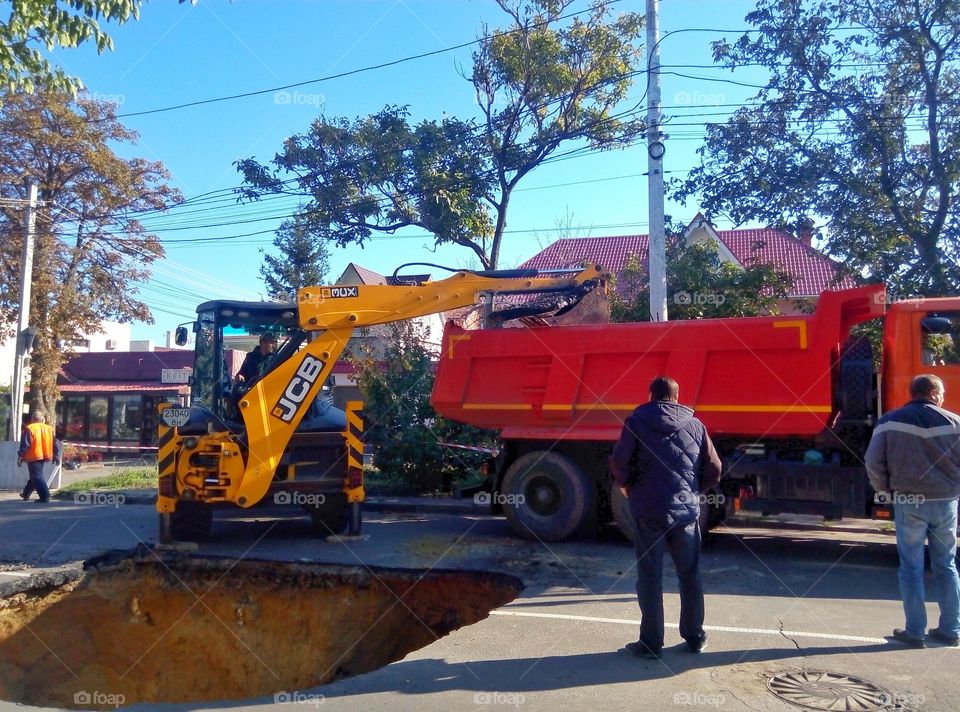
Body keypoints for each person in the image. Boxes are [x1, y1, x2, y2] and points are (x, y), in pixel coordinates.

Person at [609, 375, 722, 659]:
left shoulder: (636, 422)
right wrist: (694, 491)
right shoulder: (696, 425)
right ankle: (694, 637)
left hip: (648, 509)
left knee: (650, 576)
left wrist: (626, 486)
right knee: (690, 574)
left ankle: (650, 644)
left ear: (651, 395)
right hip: (686, 513)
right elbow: (715, 468)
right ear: (676, 397)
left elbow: (619, 462)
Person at [865, 374, 960, 648]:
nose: (943, 398)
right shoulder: (955, 422)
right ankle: (951, 629)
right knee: (946, 564)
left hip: (909, 501)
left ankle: (915, 632)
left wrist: (886, 490)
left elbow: (872, 462)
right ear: (933, 393)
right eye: (942, 393)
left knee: (911, 566)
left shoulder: (889, 422)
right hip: (946, 503)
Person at [18, 411, 55, 503]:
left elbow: (25, 444)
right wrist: (56, 454)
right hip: (45, 455)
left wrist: (20, 455)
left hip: (34, 455)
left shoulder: (30, 428)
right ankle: (26, 494)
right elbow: (54, 443)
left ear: (32, 419)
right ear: (43, 419)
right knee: (34, 475)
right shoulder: (49, 429)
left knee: (36, 476)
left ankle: (45, 495)